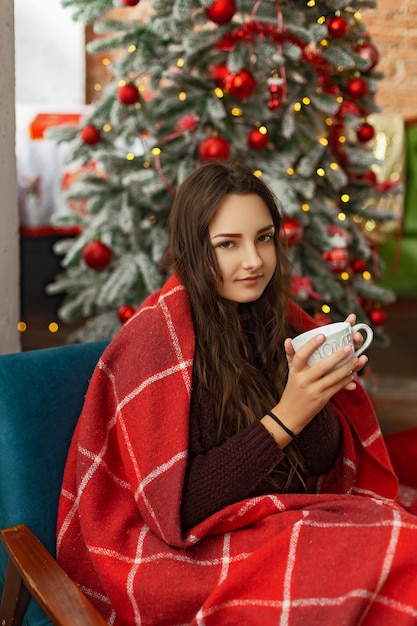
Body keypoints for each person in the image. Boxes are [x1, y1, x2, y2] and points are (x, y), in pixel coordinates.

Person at [57, 161, 417, 625]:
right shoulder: (157, 340)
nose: (253, 261)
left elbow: (322, 464)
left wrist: (317, 395)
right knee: (396, 551)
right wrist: (287, 417)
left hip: (274, 519)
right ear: (192, 249)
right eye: (228, 244)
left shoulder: (277, 318)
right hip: (185, 557)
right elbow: (177, 511)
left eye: (264, 238)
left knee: (398, 543)